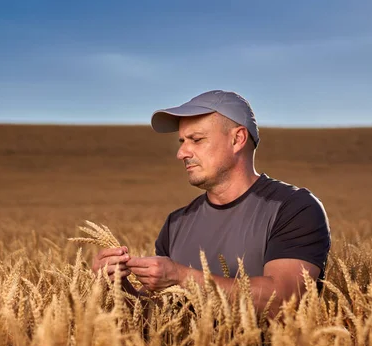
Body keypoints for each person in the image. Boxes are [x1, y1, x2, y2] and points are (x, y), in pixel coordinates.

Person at [92, 90, 331, 317]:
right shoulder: (177, 223)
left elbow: (284, 303)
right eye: (181, 141)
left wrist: (182, 276)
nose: (182, 153)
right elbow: (159, 319)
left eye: (196, 140)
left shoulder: (294, 208)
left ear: (237, 139)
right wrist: (120, 286)